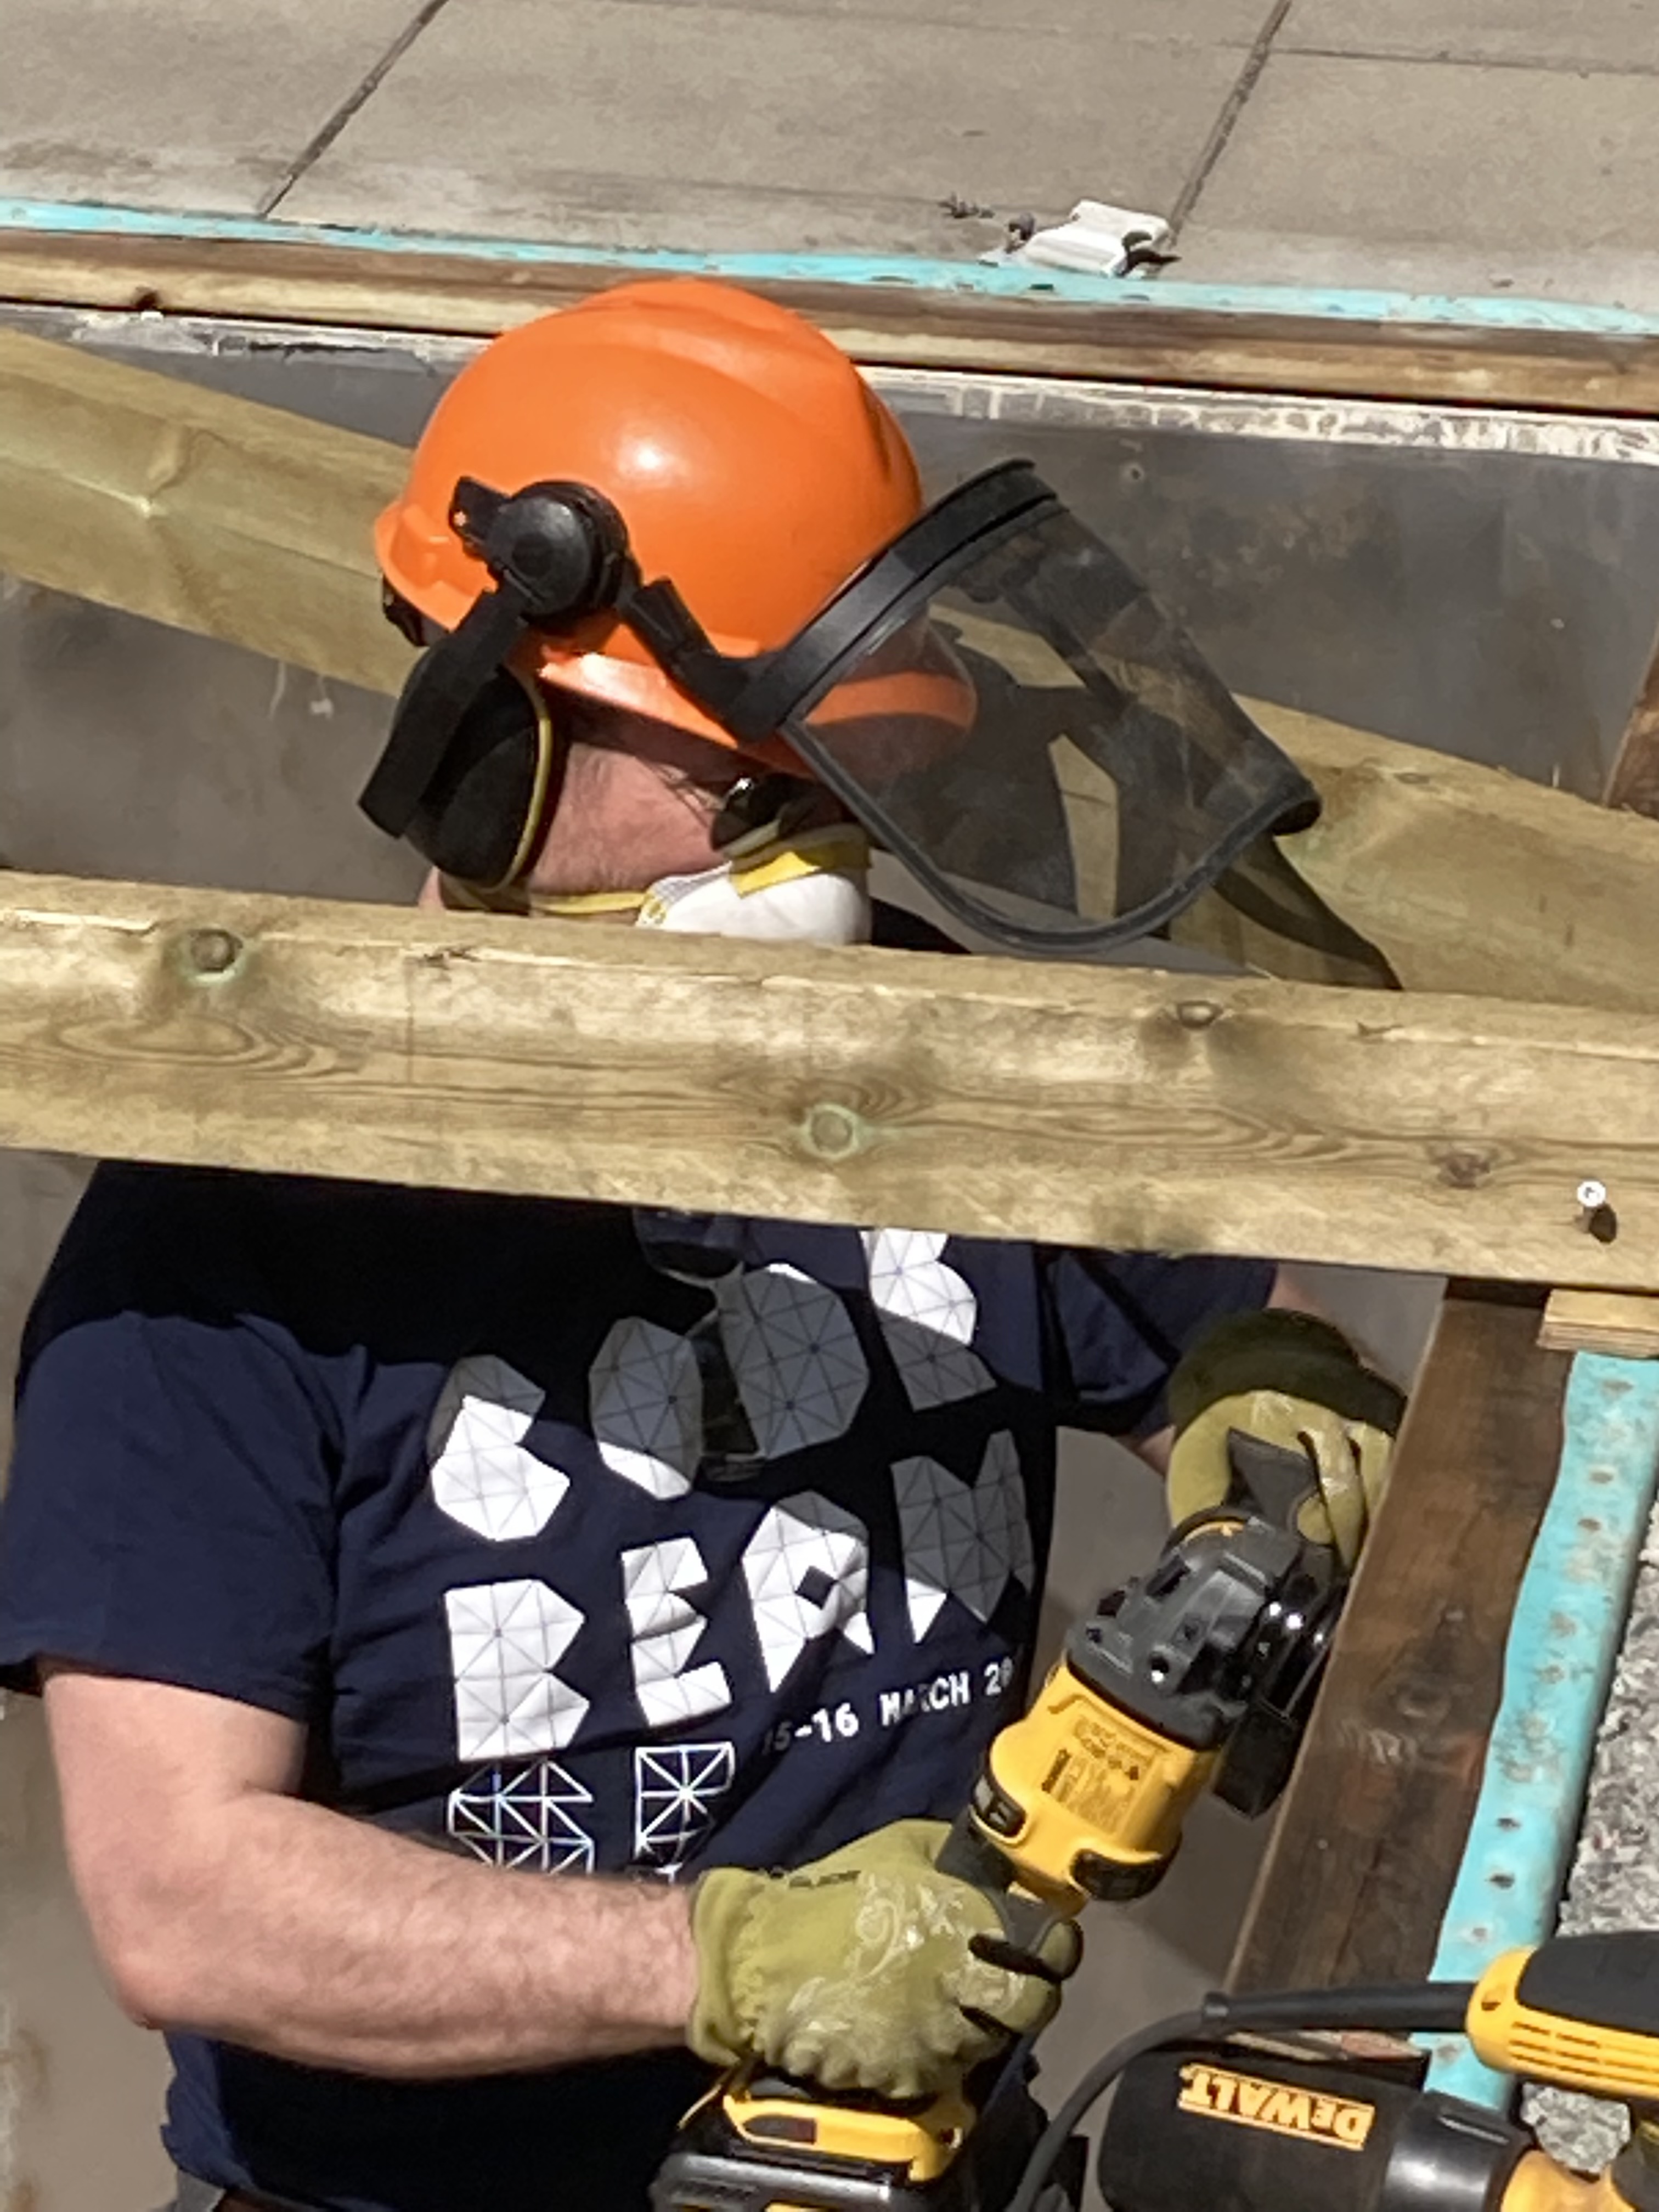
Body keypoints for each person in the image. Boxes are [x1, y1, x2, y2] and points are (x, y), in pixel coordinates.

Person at [0, 279, 1403, 2212]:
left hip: (915, 2172)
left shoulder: (917, 1073)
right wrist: (726, 1968)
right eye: (750, 792)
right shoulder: (231, 1237)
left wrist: (1274, 1390)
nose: (815, 869)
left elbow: (1228, 1307)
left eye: (846, 787)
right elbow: (189, 1900)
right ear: (493, 738)